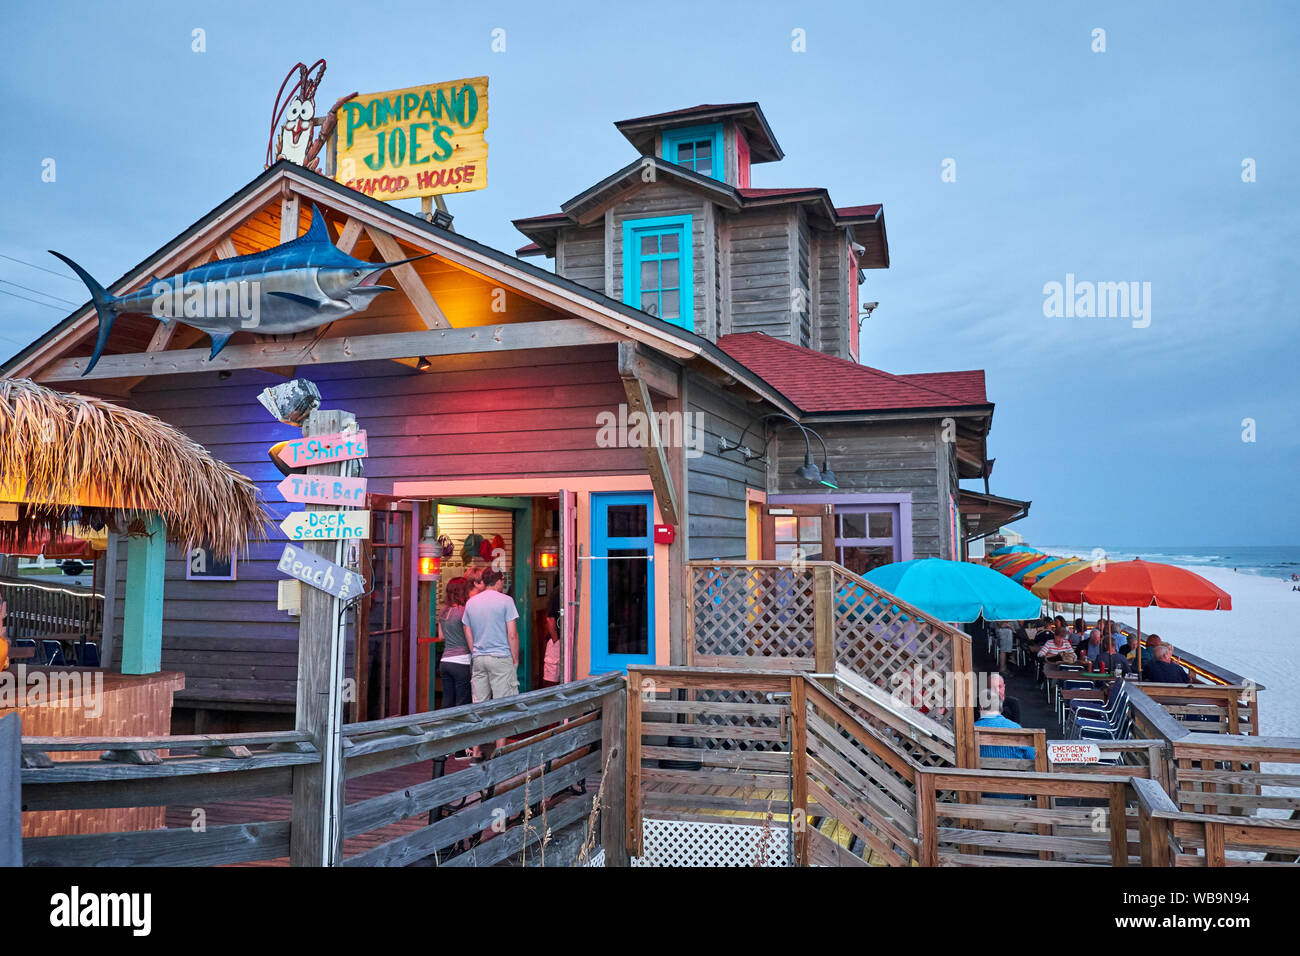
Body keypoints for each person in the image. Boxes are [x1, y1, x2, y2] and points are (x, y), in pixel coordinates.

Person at [437, 577, 473, 710]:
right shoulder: (463, 611)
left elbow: (441, 636)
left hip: (445, 661)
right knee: (463, 703)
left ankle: (444, 728)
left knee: (447, 702)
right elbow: (468, 634)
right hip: (461, 661)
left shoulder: (443, 610)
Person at [974, 695, 1035, 761]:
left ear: (981, 707)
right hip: (1012, 770)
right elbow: (1032, 757)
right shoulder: (1016, 728)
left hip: (981, 771)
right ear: (1001, 708)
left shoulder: (972, 729)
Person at [541, 580, 561, 687]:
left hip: (563, 638)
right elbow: (550, 619)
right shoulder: (557, 592)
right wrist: (556, 640)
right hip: (557, 640)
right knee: (551, 680)